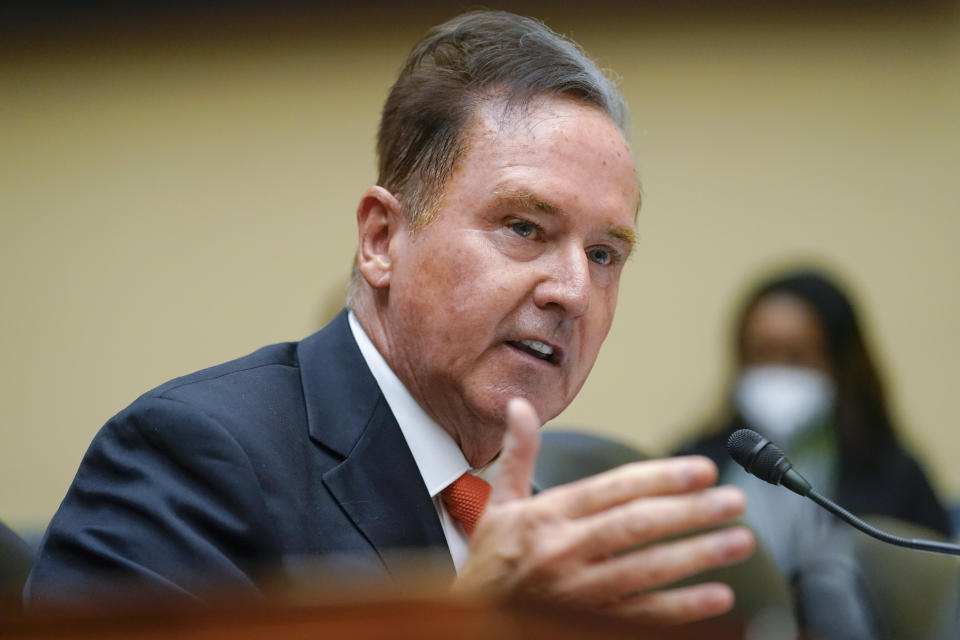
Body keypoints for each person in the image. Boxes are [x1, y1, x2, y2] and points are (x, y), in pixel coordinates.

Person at [25, 11, 755, 623]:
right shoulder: (196, 458)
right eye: (525, 228)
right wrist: (466, 626)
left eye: (604, 254)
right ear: (381, 239)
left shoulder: (546, 525)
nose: (571, 290)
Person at [675, 266, 951, 575]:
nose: (777, 372)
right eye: (762, 354)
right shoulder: (693, 463)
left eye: (797, 357)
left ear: (841, 363)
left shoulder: (896, 477)